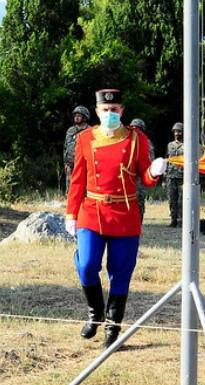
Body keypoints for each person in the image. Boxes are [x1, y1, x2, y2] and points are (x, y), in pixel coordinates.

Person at [65, 89, 168, 348]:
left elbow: (144, 178)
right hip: (92, 211)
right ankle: (95, 312)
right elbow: (77, 178)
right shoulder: (86, 138)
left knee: (121, 271)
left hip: (124, 213)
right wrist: (71, 213)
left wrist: (154, 173)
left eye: (115, 110)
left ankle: (113, 324)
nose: (110, 114)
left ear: (121, 111)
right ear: (97, 112)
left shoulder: (136, 139)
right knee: (87, 264)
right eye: (105, 110)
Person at [129, 118, 156, 222]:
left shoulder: (146, 142)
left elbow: (150, 161)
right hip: (128, 176)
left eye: (137, 128)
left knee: (139, 200)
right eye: (133, 128)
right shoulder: (127, 140)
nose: (135, 130)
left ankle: (138, 221)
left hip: (140, 177)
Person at [63, 106, 91, 193]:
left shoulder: (90, 131)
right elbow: (65, 147)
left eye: (79, 116)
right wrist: (65, 163)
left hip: (85, 165)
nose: (76, 117)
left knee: (85, 189)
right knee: (71, 188)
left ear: (85, 117)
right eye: (75, 116)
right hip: (71, 165)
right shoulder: (70, 130)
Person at [166, 123, 184, 227]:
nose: (177, 133)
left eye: (179, 131)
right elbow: (168, 159)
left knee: (182, 200)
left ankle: (181, 221)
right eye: (176, 131)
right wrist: (165, 176)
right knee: (172, 199)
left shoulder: (188, 145)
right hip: (171, 176)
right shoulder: (170, 145)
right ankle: (173, 220)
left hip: (183, 177)